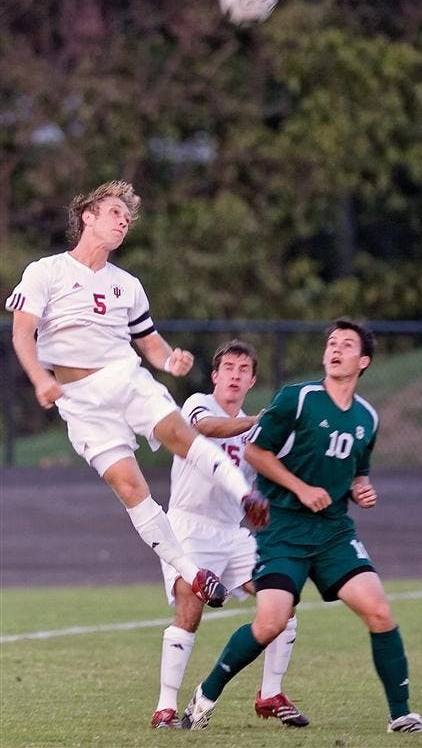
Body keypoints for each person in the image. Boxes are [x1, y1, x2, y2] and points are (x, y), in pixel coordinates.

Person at [4, 180, 268, 609]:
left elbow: (150, 344)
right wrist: (40, 379)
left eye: (127, 220)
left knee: (179, 435)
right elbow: (22, 333)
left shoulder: (127, 284)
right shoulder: (45, 271)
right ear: (88, 216)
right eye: (114, 214)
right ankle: (192, 572)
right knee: (130, 487)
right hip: (80, 402)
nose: (123, 222)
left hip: (124, 378)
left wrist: (170, 361)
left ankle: (244, 494)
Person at [181, 318, 422, 734]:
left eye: (347, 345)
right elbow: (256, 451)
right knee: (270, 623)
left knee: (380, 612)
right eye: (331, 343)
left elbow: (357, 473)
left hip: (334, 533)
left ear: (363, 360)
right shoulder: (297, 399)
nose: (335, 349)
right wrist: (300, 489)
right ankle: (204, 697)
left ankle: (401, 714)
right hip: (282, 530)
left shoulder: (367, 418)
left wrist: (361, 488)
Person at [151, 339, 308, 729]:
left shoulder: (259, 431)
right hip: (188, 526)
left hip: (232, 533)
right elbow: (205, 428)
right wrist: (258, 421)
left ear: (252, 380)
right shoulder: (197, 404)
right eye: (229, 368)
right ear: (216, 376)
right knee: (190, 610)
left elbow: (270, 474)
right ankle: (165, 708)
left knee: (282, 600)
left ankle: (270, 693)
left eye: (244, 370)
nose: (235, 375)